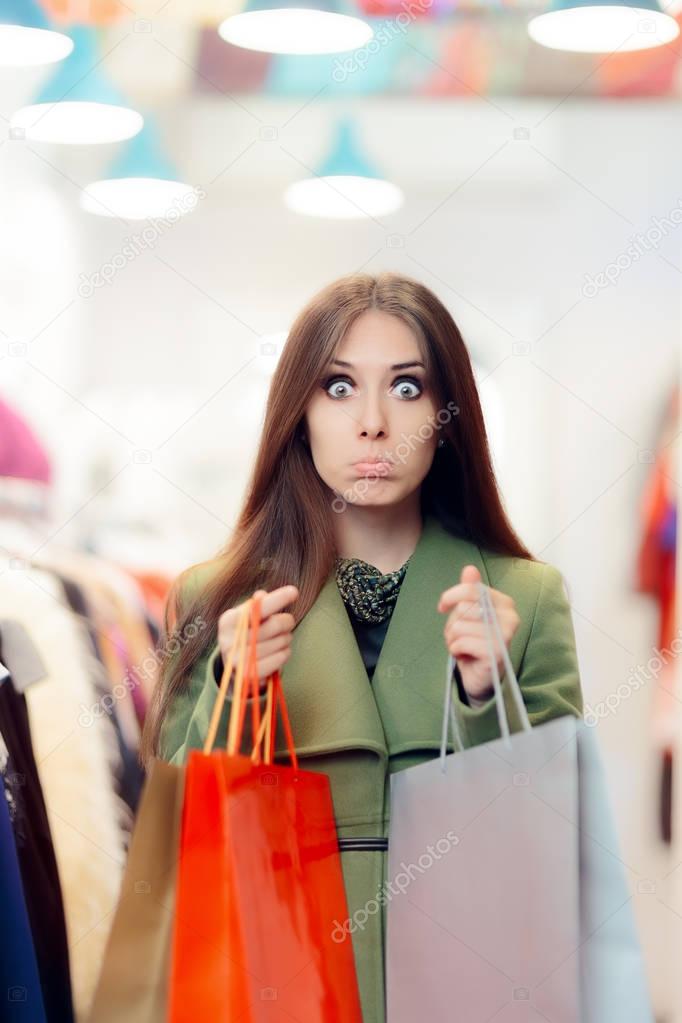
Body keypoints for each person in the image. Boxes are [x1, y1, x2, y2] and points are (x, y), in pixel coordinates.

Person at [140, 270, 584, 1023]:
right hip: (276, 988)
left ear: (447, 418)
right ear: (299, 412)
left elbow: (558, 852)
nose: (373, 422)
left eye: (406, 387)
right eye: (338, 388)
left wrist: (483, 699)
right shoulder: (212, 597)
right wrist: (237, 692)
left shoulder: (524, 596)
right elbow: (171, 859)